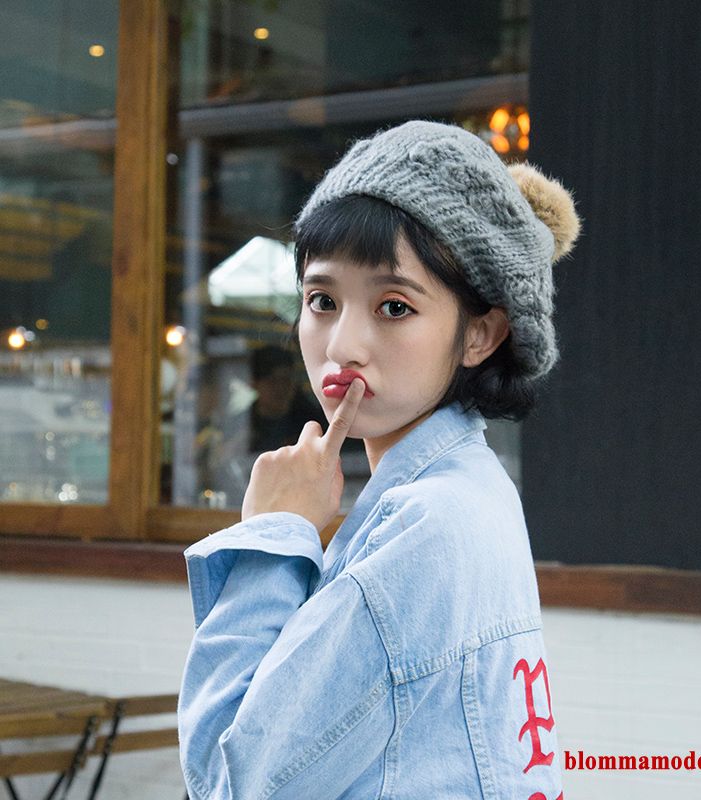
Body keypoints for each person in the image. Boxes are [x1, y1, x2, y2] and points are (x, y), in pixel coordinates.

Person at [178, 120, 580, 799]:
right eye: (322, 300)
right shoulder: (469, 490)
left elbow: (229, 781)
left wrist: (272, 535)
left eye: (393, 306)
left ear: (481, 334)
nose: (343, 345)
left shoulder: (428, 524)